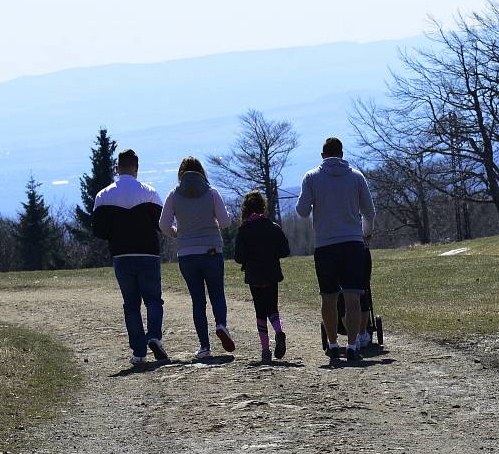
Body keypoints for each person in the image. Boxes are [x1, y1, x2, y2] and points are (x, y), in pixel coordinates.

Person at [296, 137, 375, 363]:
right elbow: (369, 212)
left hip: (325, 245)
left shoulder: (311, 177)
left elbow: (301, 211)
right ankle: (352, 345)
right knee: (353, 298)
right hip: (352, 243)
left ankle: (332, 345)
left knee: (329, 298)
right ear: (341, 154)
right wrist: (365, 232)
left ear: (323, 156)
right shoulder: (356, 176)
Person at [92, 148, 168, 365]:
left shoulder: (103, 195)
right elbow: (161, 224)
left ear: (117, 169)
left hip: (121, 254)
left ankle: (138, 352)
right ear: (136, 168)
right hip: (148, 253)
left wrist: (115, 234)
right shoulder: (150, 192)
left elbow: (98, 230)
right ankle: (154, 336)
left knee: (131, 304)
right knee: (153, 299)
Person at [159, 157, 235, 359]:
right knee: (217, 293)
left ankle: (204, 347)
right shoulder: (212, 193)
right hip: (211, 250)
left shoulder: (174, 195)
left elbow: (163, 224)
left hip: (187, 253)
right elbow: (225, 221)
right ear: (202, 172)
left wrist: (178, 233)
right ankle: (221, 324)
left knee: (197, 301)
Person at [234, 190, 291, 363]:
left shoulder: (243, 230)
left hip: (254, 276)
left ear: (246, 209)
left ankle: (265, 350)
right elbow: (285, 251)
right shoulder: (273, 227)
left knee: (260, 311)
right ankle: (279, 332)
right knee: (272, 308)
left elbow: (239, 257)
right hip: (272, 274)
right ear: (263, 206)